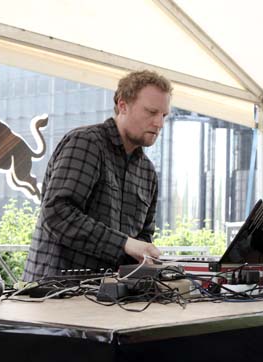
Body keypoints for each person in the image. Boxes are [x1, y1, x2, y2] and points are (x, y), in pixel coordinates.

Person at [23, 70, 172, 281]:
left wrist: (145, 256)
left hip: (109, 297)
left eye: (164, 115)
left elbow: (144, 235)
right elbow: (57, 212)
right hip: (54, 293)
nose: (159, 123)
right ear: (123, 106)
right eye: (151, 112)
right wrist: (124, 243)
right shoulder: (86, 143)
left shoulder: (147, 172)